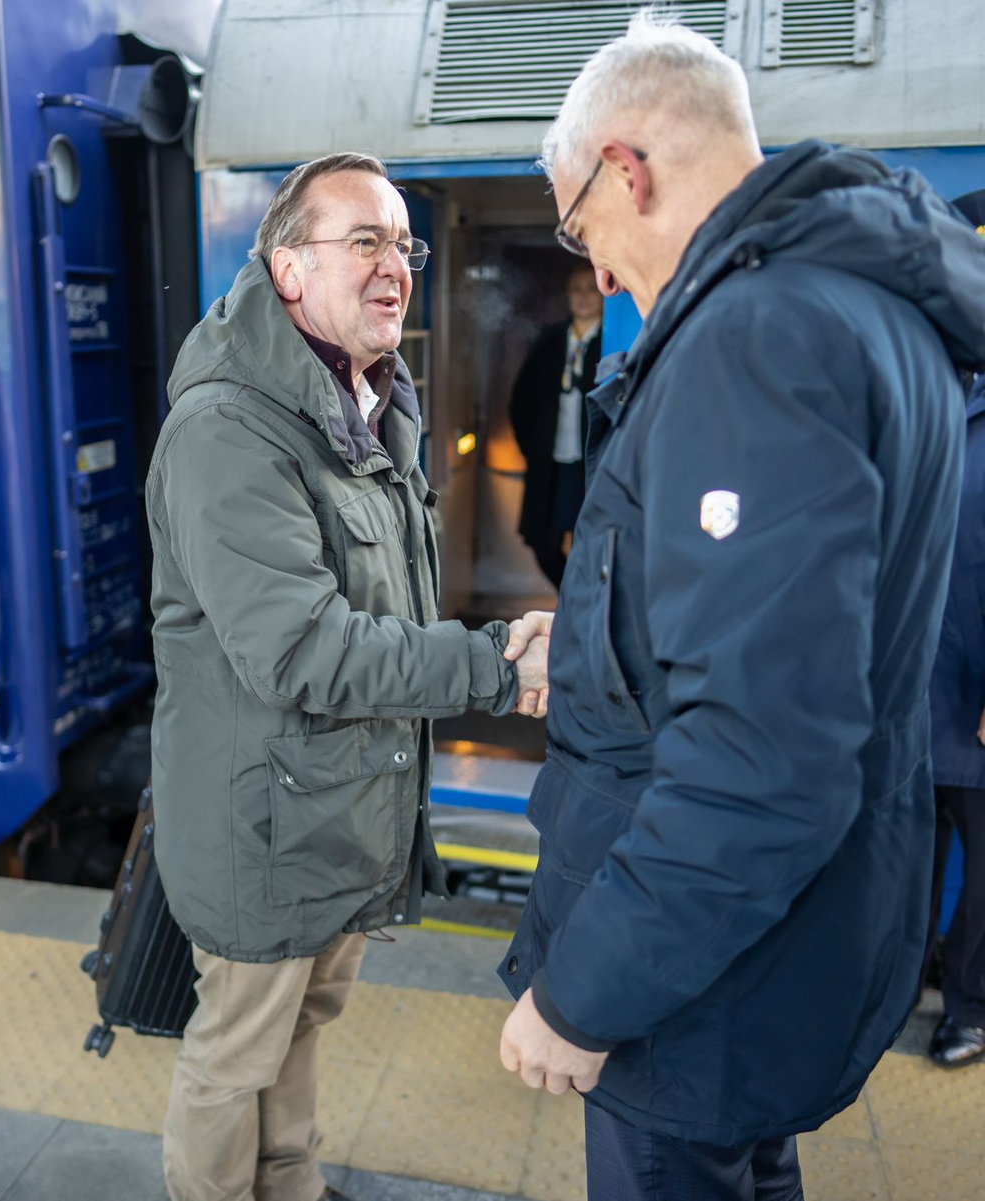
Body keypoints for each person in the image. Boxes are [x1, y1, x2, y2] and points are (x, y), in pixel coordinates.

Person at [495, 14, 985, 1200]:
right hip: (772, 957)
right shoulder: (867, 312)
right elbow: (813, 640)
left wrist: (579, 995)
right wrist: (604, 642)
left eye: (581, 225)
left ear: (629, 167)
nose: (596, 270)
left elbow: (762, 757)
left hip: (687, 995)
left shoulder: (757, 337)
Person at [146, 152, 546, 1201]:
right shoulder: (229, 429)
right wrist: (494, 662)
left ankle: (294, 1183)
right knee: (235, 1055)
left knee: (303, 1025)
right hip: (259, 827)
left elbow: (386, 612)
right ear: (288, 271)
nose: (396, 265)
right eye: (362, 240)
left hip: (330, 812)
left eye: (403, 243)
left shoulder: (367, 404)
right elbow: (303, 647)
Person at [925, 192, 985, 1069]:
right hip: (910, 675)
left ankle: (970, 1005)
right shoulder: (926, 376)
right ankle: (887, 990)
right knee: (903, 854)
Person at [509, 261, 603, 588]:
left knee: (590, 539)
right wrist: (533, 450)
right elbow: (520, 402)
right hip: (550, 463)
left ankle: (584, 606)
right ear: (567, 294)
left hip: (592, 466)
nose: (584, 296)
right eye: (577, 289)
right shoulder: (549, 339)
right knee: (542, 541)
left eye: (591, 288)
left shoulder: (613, 341)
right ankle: (573, 599)